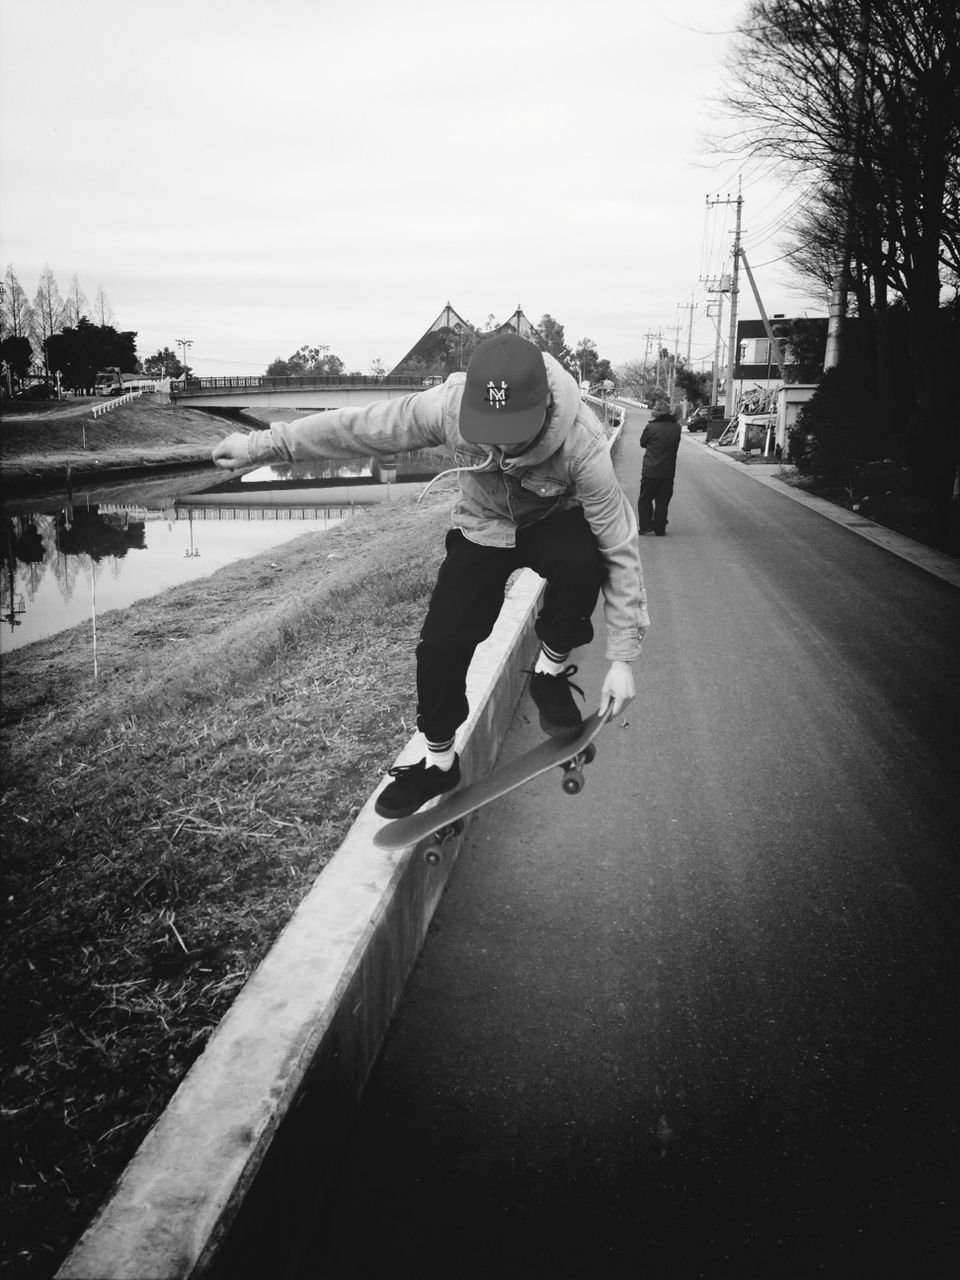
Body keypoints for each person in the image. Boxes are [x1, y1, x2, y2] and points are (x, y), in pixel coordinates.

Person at [212, 334, 649, 818]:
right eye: (490, 430)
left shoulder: (581, 442)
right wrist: (261, 445)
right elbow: (359, 427)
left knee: (582, 559)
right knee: (442, 642)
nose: (500, 444)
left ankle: (549, 671)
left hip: (552, 519)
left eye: (514, 432)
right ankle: (439, 761)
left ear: (545, 407)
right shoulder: (446, 407)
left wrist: (623, 658)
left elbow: (619, 543)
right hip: (483, 525)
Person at [637, 409, 682, 536]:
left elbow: (642, 443)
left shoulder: (651, 427)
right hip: (668, 471)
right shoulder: (677, 428)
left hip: (650, 471)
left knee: (645, 499)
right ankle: (660, 528)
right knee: (662, 500)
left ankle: (646, 526)